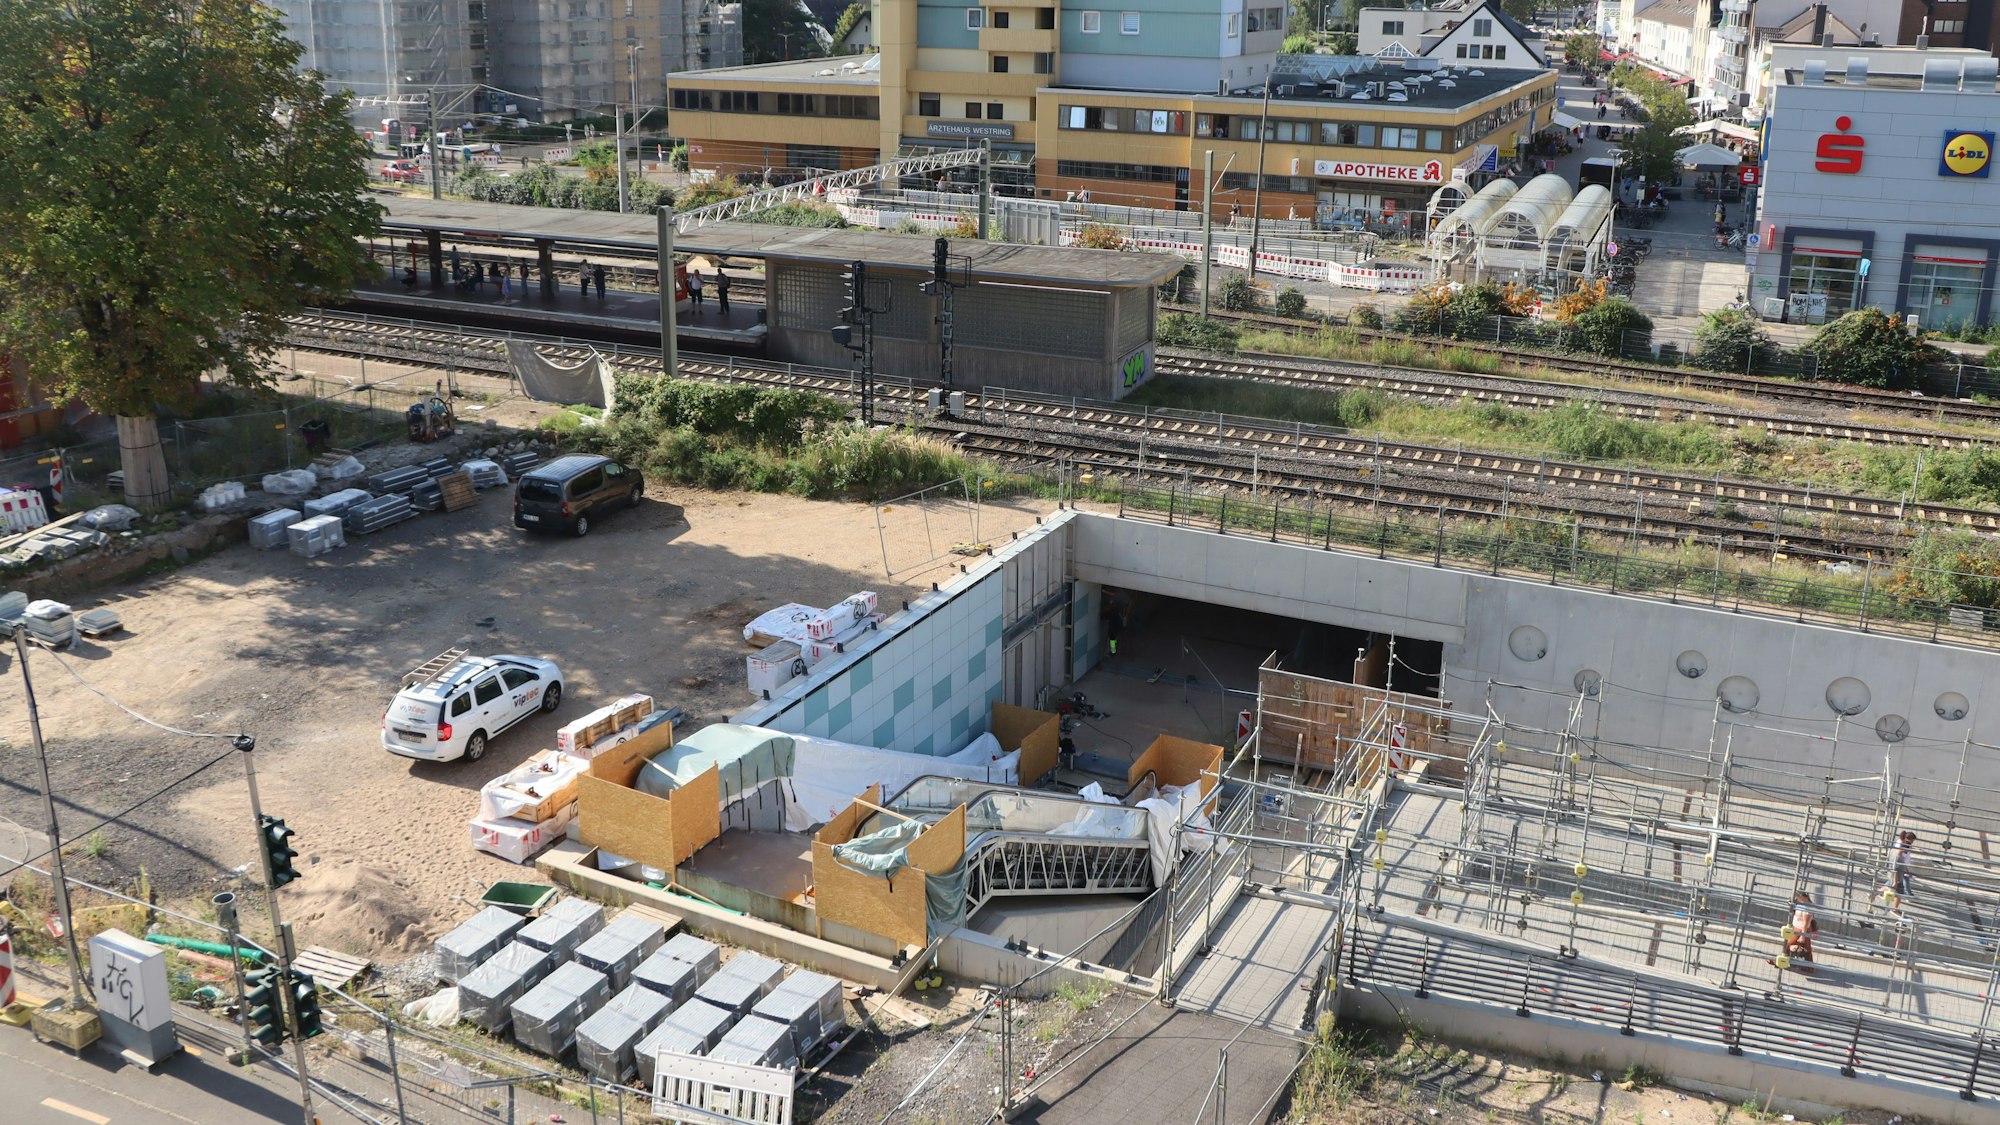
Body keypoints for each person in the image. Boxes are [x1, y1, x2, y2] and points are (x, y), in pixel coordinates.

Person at [1776, 891, 1817, 972]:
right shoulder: (1802, 904)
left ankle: (1782, 962)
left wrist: (1802, 935)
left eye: (1797, 896)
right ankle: (1808, 967)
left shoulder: (1807, 908)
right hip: (1798, 929)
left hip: (1800, 930)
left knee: (1788, 945)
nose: (1796, 898)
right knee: (1806, 948)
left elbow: (1805, 923)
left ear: (1801, 896)